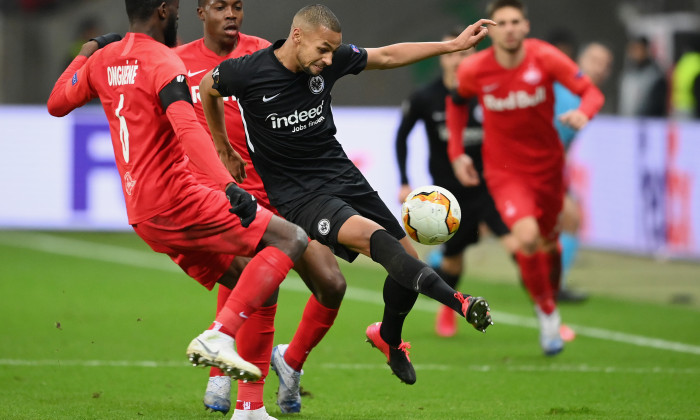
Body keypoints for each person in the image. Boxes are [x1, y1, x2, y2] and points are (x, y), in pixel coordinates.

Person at [198, 3, 495, 393]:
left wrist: (452, 46)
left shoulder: (330, 59)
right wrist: (222, 145)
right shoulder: (249, 71)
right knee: (381, 243)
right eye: (322, 49)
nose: (328, 58)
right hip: (299, 196)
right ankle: (458, 300)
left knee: (408, 263)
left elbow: (387, 55)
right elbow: (208, 87)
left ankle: (387, 337)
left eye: (332, 51)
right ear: (298, 35)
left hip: (343, 177)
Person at [47, 0, 308, 405]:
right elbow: (188, 129)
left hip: (142, 214)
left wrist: (89, 48)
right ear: (164, 10)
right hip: (178, 199)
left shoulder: (103, 60)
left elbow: (57, 103)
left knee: (254, 281)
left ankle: (249, 408)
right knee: (291, 240)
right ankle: (218, 336)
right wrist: (228, 187)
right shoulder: (164, 61)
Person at [174, 0, 345, 417]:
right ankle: (242, 395)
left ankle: (290, 361)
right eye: (220, 6)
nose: (231, 13)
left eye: (237, 5)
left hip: (282, 190)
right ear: (200, 12)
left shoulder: (266, 53)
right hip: (221, 193)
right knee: (258, 283)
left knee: (331, 283)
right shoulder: (177, 62)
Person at [446, 0, 604, 356]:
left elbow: (592, 92)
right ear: (491, 29)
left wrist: (584, 112)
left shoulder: (545, 58)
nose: (510, 27)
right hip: (505, 172)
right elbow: (456, 103)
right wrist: (457, 153)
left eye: (516, 20)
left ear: (526, 26)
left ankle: (548, 301)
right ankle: (547, 315)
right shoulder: (475, 69)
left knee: (549, 246)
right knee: (527, 237)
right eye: (502, 22)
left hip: (549, 169)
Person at [394, 27, 518, 338]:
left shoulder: (488, 94)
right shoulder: (426, 97)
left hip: (490, 187)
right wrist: (405, 181)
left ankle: (549, 319)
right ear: (444, 58)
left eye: (467, 53)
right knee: (454, 260)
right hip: (450, 195)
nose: (461, 60)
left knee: (520, 246)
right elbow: (401, 138)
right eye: (455, 54)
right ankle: (446, 310)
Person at [553, 42, 613, 304]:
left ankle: (555, 284)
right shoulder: (559, 85)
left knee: (570, 219)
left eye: (606, 64)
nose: (600, 68)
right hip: (523, 164)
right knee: (483, 225)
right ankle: (438, 269)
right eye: (595, 60)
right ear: (580, 59)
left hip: (549, 167)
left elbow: (565, 142)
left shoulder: (590, 99)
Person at [618, 36, 667, 118]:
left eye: (637, 49)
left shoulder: (655, 76)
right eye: (632, 49)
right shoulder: (628, 73)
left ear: (646, 50)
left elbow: (657, 107)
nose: (634, 53)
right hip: (626, 125)